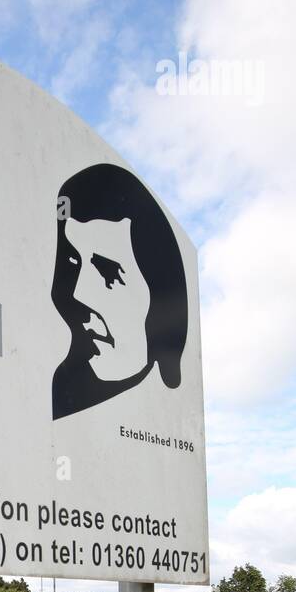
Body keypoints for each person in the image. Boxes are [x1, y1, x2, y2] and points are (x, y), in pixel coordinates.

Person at [51, 162, 188, 420]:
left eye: (108, 272)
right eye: (72, 264)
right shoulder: (57, 395)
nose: (77, 293)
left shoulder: (161, 418)